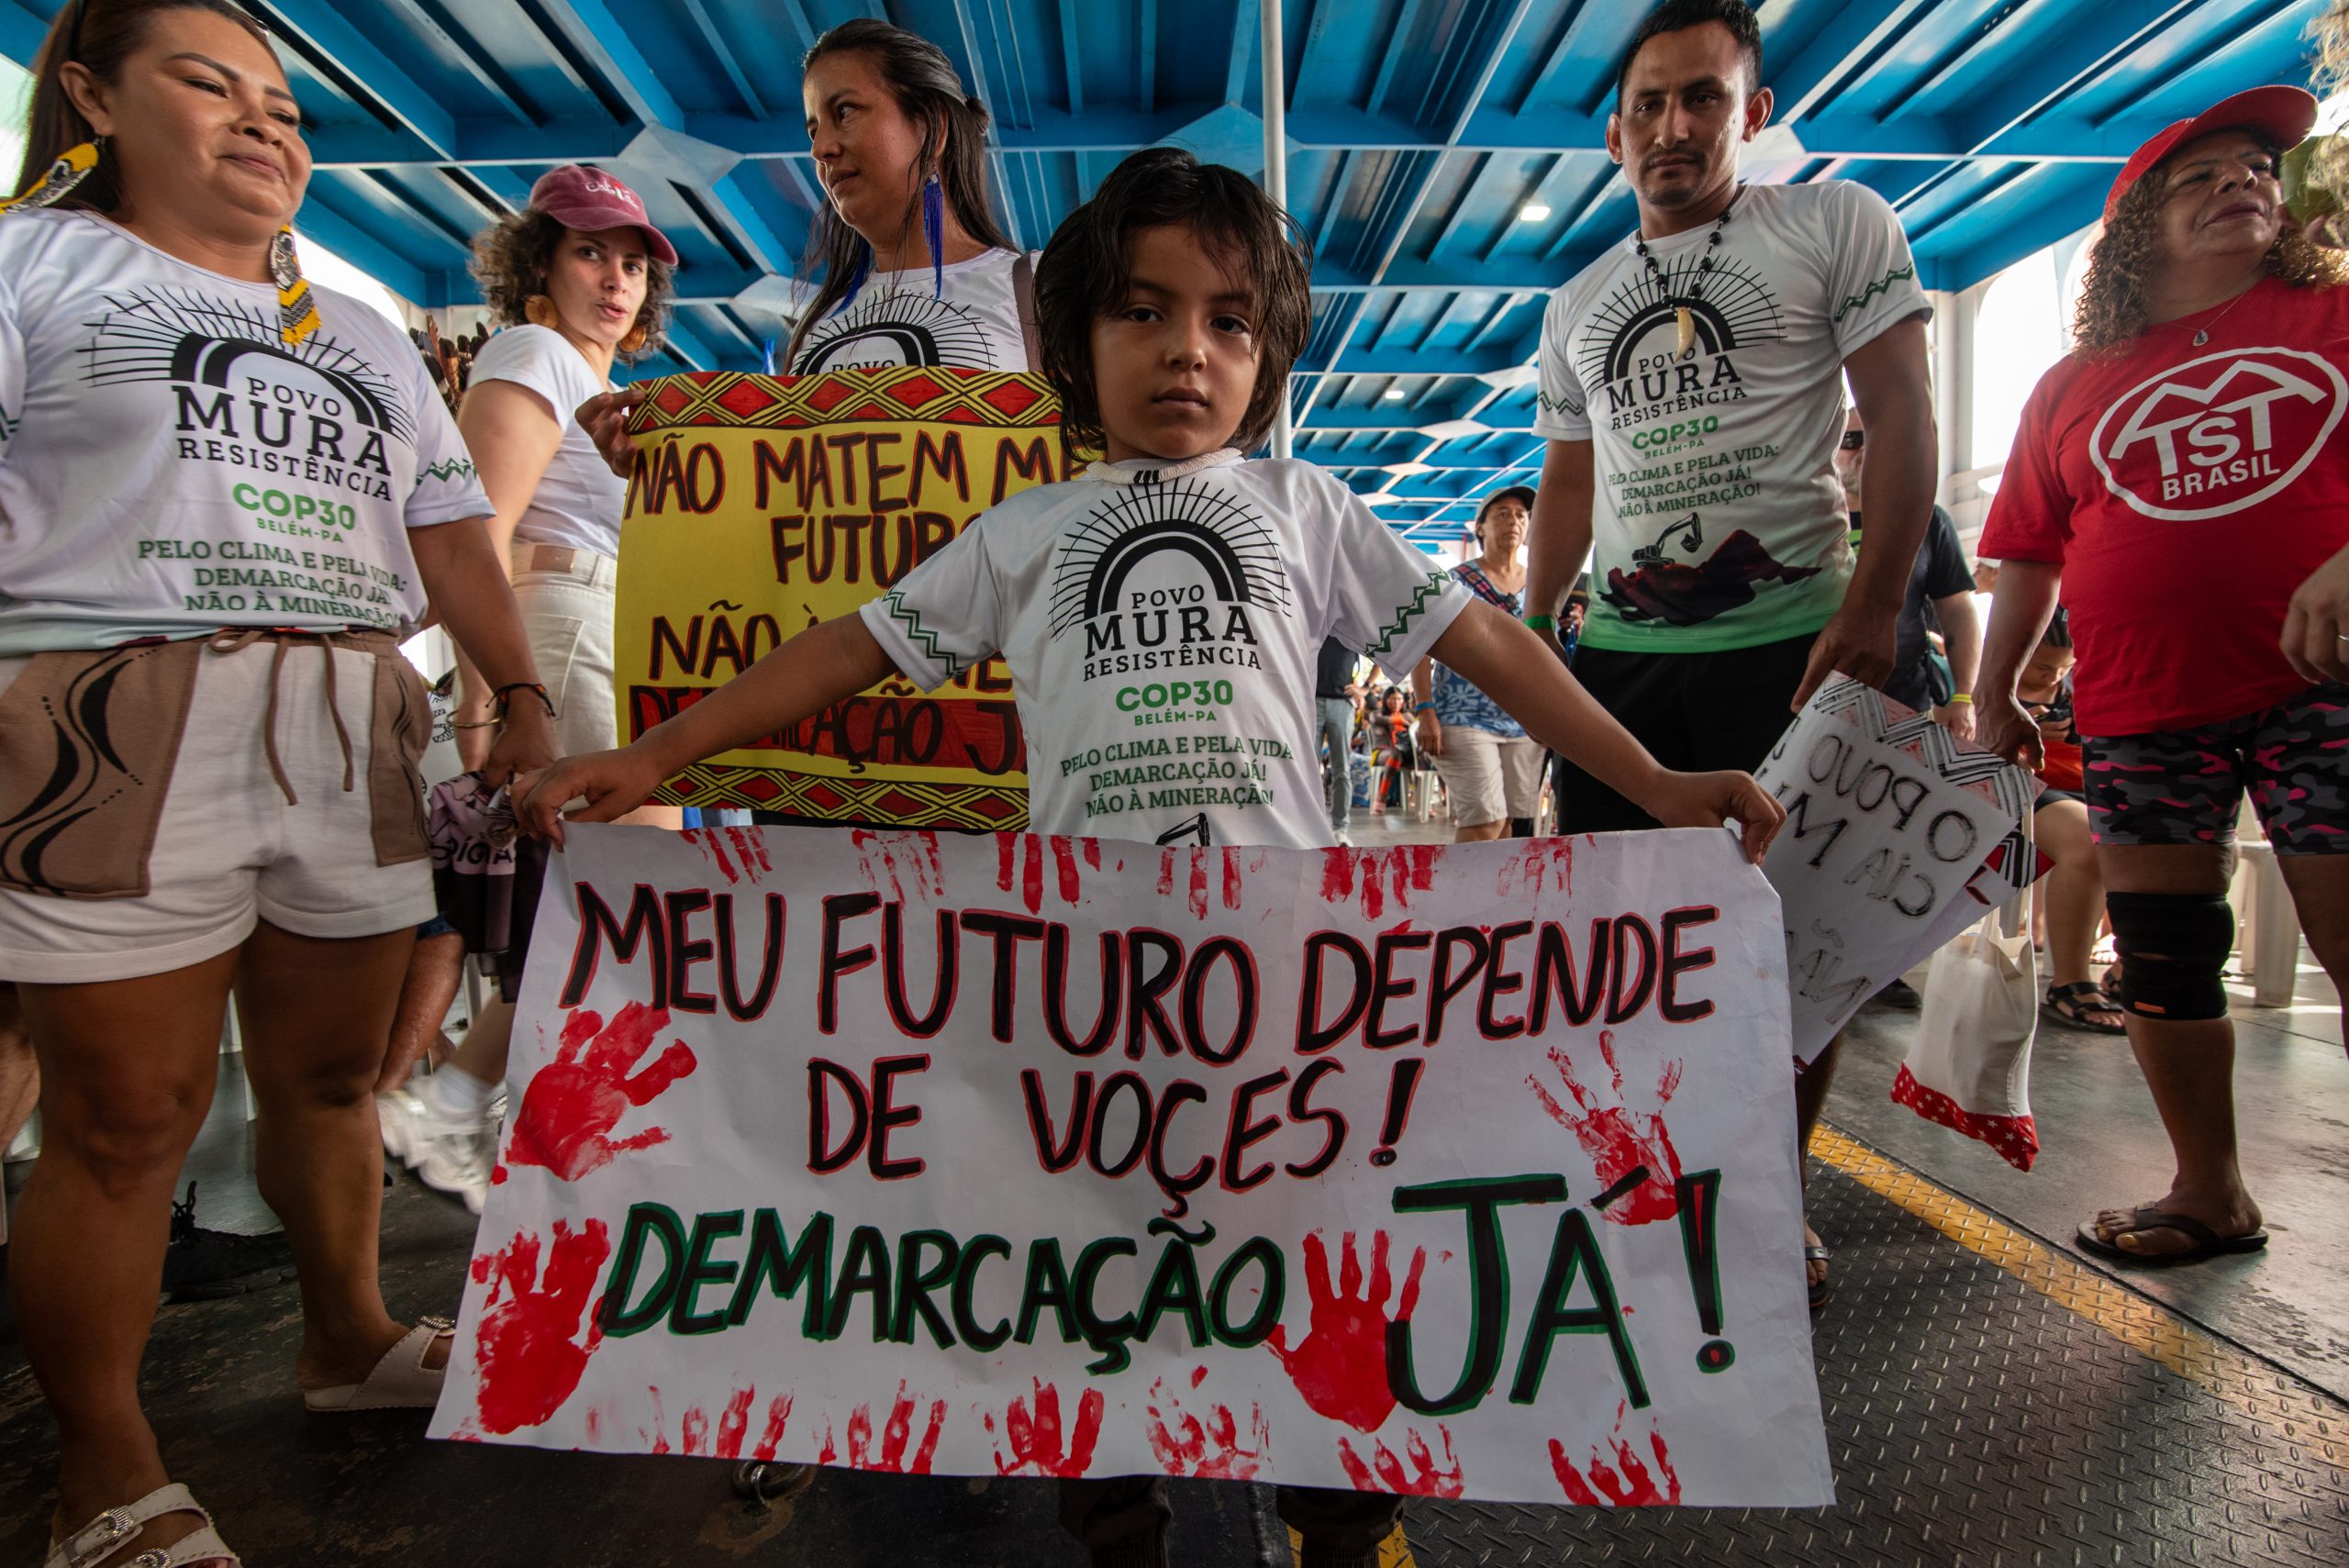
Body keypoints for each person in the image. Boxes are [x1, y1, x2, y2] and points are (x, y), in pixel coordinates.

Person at [515, 145, 1782, 1568]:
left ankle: (1338, 1521)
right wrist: (659, 756)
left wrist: (1652, 781)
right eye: (1143, 309)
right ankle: (1119, 1524)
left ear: (1267, 352)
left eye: (1229, 320)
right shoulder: (1021, 535)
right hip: (1084, 1005)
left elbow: (1487, 641)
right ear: (1074, 341)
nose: (1188, 349)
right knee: (1093, 1282)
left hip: (1289, 998)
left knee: (1318, 1268)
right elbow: (845, 651)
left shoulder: (1309, 511)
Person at [0, 4, 557, 1562]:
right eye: (209, 83)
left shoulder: (361, 331)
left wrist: (517, 691)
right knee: (127, 1115)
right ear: (92, 95)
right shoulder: (31, 269)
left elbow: (449, 530)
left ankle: (346, 1336)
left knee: (330, 1074)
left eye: (286, 105)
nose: (266, 124)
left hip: (346, 712)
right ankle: (103, 1474)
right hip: (115, 707)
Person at [1520, 0, 1937, 1308]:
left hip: (1793, 649)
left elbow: (1902, 412)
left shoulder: (1835, 224)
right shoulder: (1575, 303)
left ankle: (1767, 1195)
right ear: (1613, 132)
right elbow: (1569, 486)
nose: (1674, 126)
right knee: (1621, 946)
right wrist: (1537, 635)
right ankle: (1643, 1181)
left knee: (1785, 947)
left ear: (1751, 114)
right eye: (1648, 104)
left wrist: (1875, 604)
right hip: (1624, 665)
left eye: (1703, 97)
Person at [1976, 86, 2349, 1268]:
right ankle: (2209, 1188)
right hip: (2142, 706)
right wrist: (1996, 692)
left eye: (2257, 168)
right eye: (2204, 173)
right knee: (2165, 953)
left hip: (2325, 686)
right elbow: (2028, 553)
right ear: (2136, 224)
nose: (2244, 181)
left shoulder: (2336, 313)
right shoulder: (2069, 384)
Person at [373, 165, 684, 1215]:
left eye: (634, 262)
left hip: (602, 631)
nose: (617, 279)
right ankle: (462, 1102)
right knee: (630, 893)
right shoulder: (532, 353)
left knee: (616, 897)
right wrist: (492, 699)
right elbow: (480, 529)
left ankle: (493, 1110)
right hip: (565, 624)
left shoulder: (593, 380)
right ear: (538, 262)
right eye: (591, 252)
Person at [1842, 406, 1978, 1010]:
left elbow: (1959, 611)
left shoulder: (1927, 519)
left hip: (1900, 710)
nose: (1863, 451)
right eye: (1851, 439)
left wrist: (1965, 696)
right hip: (1804, 711)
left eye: (1877, 435)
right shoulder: (1801, 512)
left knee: (1887, 847)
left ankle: (1874, 965)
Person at [1410, 486, 1550, 841]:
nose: (1513, 521)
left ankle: (1495, 884)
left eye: (1521, 515)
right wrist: (1425, 709)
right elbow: (1419, 647)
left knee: (1511, 826)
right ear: (1480, 527)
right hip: (1462, 717)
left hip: (1524, 720)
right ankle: (1458, 881)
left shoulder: (1540, 584)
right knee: (1485, 821)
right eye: (1502, 514)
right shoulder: (1455, 581)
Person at [2013, 617, 2123, 1034]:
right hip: (2026, 787)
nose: (2053, 678)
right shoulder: (1992, 683)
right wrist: (2026, 731)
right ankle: (2070, 980)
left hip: (2088, 786)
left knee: (2168, 836)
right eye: (2043, 668)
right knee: (2087, 841)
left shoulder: (2078, 685)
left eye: (2064, 668)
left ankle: (2130, 965)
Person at [1313, 636, 1362, 844]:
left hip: (1342, 703)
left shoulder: (1352, 629)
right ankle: (1311, 827)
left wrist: (1366, 687)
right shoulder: (1313, 624)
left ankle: (1340, 829)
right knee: (1308, 769)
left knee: (1342, 769)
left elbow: (1380, 655)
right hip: (1311, 700)